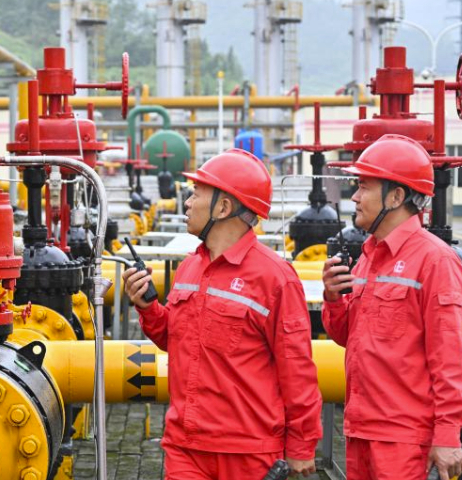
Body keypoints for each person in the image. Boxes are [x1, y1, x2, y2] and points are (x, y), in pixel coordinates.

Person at [124, 149, 322, 479]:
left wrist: (302, 445)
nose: (187, 202)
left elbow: (297, 370)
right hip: (186, 447)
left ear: (224, 206)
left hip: (248, 452)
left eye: (197, 193)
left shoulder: (275, 278)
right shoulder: (190, 267)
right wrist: (148, 309)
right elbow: (177, 339)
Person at [322, 134, 462, 480]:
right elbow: (346, 336)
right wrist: (333, 299)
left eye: (364, 186)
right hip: (360, 431)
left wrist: (447, 435)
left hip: (405, 441)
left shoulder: (435, 261)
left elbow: (451, 357)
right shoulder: (369, 256)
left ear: (396, 196)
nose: (355, 196)